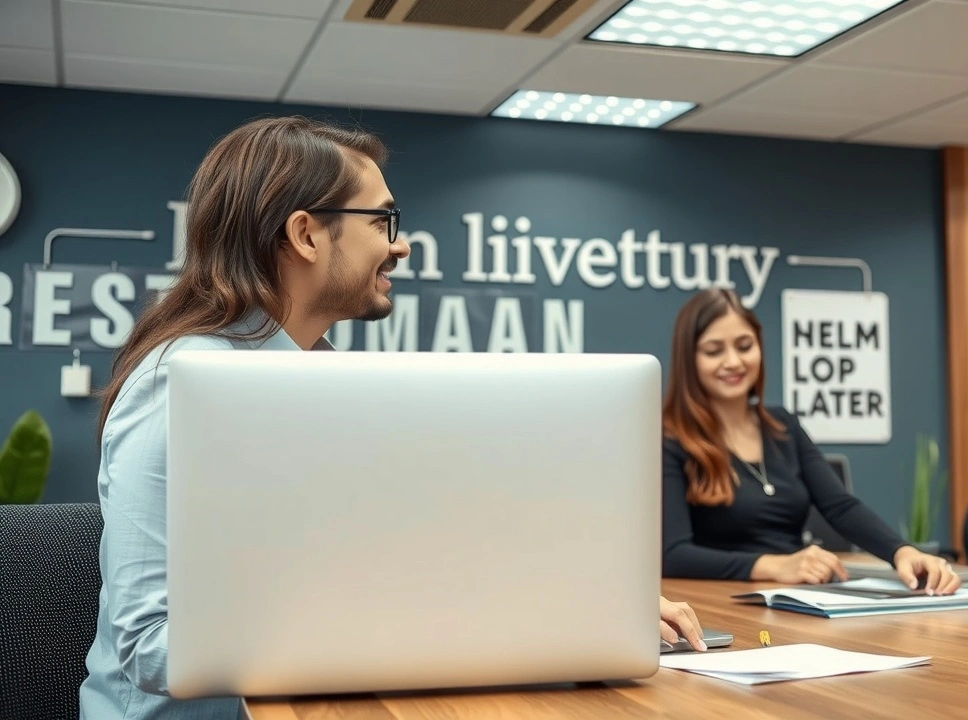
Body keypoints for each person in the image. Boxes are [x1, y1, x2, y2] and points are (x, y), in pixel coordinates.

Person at [79, 117, 701, 720]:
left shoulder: (328, 384)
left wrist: (583, 610)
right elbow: (149, 646)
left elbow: (395, 568)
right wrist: (403, 628)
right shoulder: (175, 388)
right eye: (383, 221)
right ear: (305, 234)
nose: (400, 245)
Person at [660, 288, 961, 595]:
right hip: (718, 599)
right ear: (688, 360)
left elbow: (841, 507)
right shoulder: (669, 440)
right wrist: (773, 566)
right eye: (714, 351)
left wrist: (901, 551)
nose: (733, 361)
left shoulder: (784, 427)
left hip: (795, 595)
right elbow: (673, 555)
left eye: (745, 346)